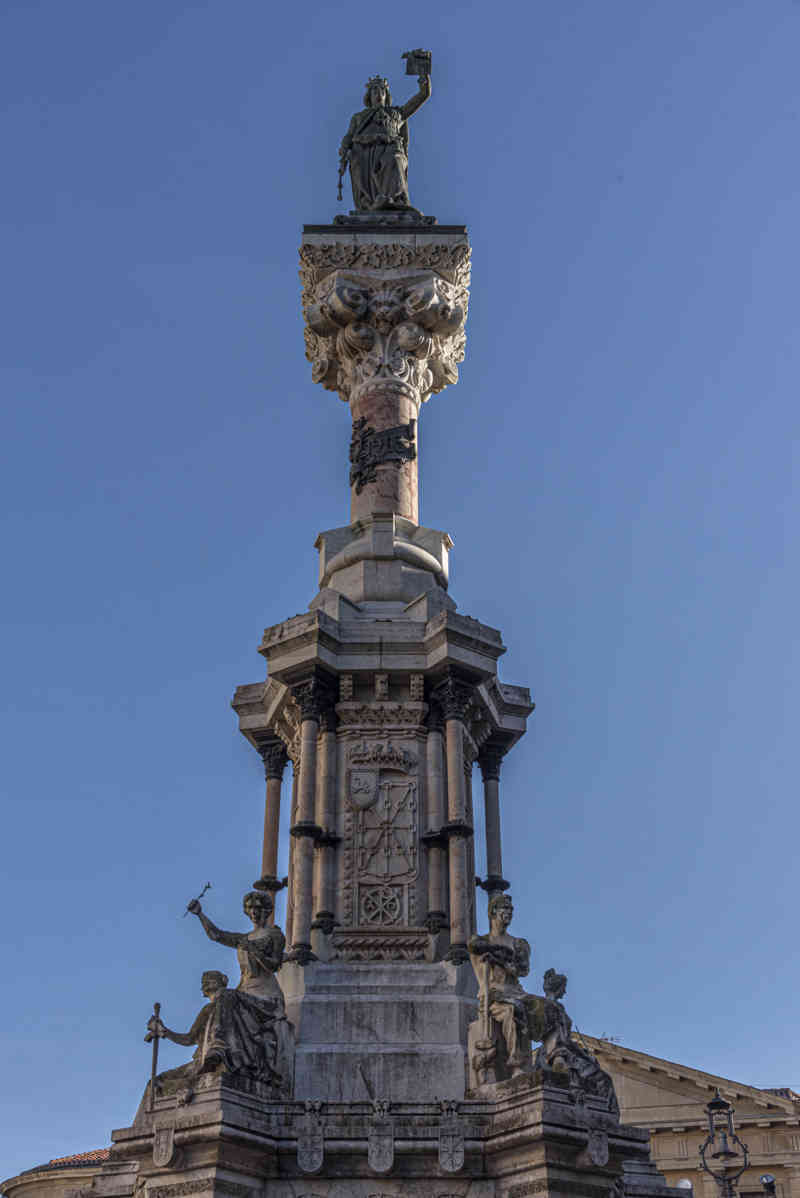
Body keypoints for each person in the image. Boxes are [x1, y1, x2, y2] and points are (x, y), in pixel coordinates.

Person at [468, 892, 541, 1074]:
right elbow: (474, 948)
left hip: (516, 992)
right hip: (494, 994)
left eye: (511, 909)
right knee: (513, 1010)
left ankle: (555, 1056)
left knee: (547, 1008)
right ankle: (517, 1064)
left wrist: (499, 958)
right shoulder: (481, 941)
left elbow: (523, 970)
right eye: (505, 908)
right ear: (493, 911)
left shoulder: (518, 943)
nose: (509, 912)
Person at [339, 73, 431, 212]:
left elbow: (421, 97)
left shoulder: (396, 113)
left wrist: (424, 81)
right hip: (364, 150)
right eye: (375, 91)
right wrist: (344, 147)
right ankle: (370, 203)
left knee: (395, 160)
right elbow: (349, 135)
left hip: (390, 148)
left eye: (382, 91)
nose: (379, 94)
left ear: (386, 95)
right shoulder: (359, 117)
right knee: (358, 160)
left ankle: (393, 199)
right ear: (369, 96)